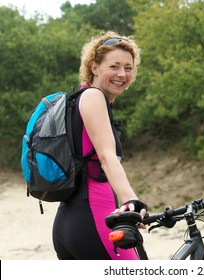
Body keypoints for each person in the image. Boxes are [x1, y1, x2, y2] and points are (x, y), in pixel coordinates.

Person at [52, 31, 148, 260]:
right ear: (94, 67)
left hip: (68, 224)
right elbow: (107, 157)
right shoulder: (94, 97)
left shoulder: (76, 100)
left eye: (128, 67)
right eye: (114, 66)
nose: (122, 74)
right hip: (97, 221)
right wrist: (131, 202)